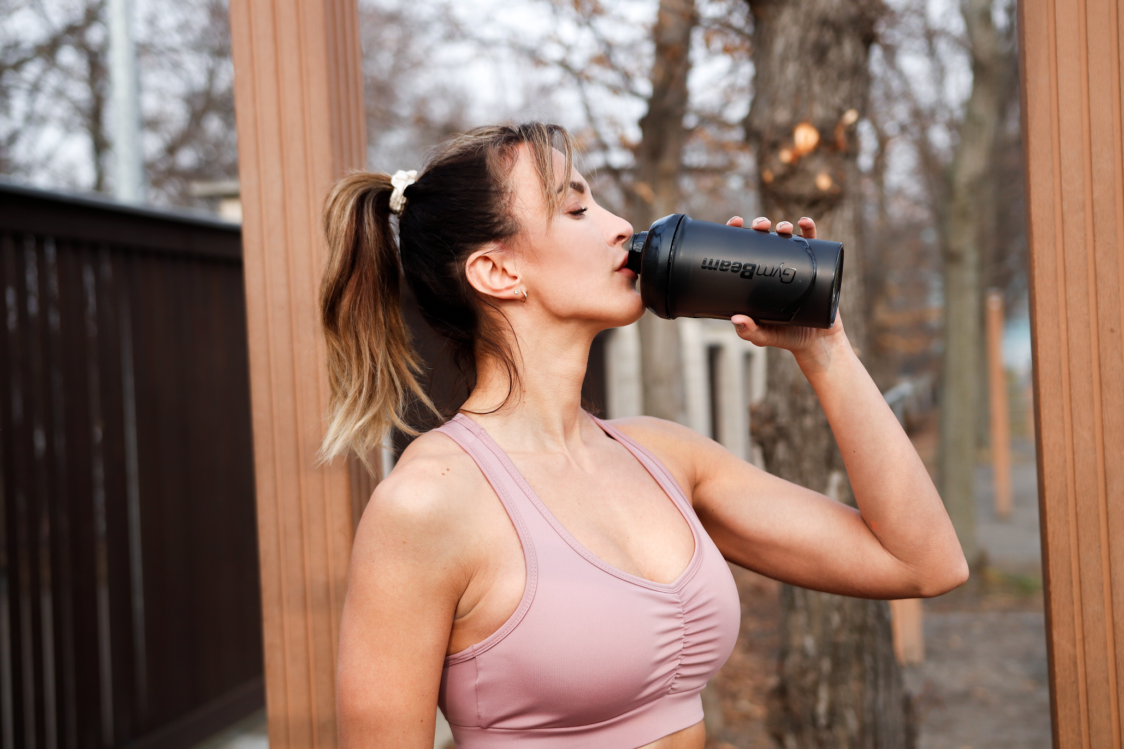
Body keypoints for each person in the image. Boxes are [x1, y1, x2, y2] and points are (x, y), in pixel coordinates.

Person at [321, 123, 968, 749]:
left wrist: (824, 350)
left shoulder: (664, 456)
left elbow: (923, 562)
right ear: (498, 272)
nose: (620, 226)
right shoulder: (430, 503)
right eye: (576, 210)